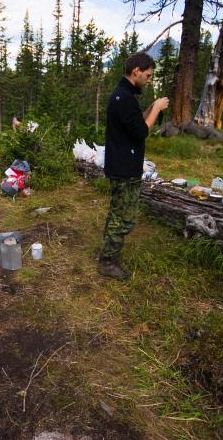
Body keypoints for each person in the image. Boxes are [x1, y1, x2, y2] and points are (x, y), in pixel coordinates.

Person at [99, 52, 170, 280]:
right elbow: (141, 132)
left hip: (123, 164)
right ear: (136, 71)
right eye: (147, 75)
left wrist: (150, 107)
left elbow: (135, 121)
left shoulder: (125, 96)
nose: (149, 80)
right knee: (124, 217)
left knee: (118, 211)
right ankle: (108, 261)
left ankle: (108, 251)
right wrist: (157, 109)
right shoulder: (123, 97)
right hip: (124, 166)